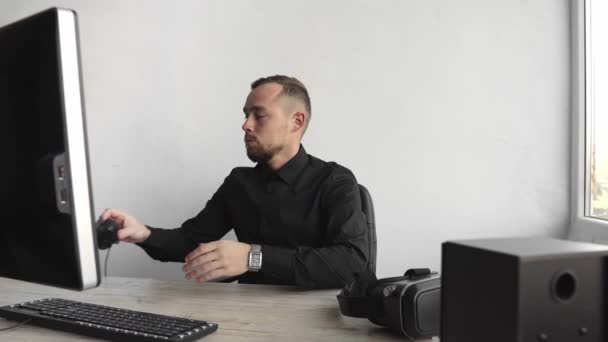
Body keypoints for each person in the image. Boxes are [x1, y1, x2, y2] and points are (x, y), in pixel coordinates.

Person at [100, 75, 370, 289]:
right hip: (245, 313)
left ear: (296, 122)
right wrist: (143, 233)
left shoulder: (336, 181)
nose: (245, 125)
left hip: (317, 318)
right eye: (245, 114)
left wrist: (253, 257)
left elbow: (352, 264)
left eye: (259, 115)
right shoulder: (239, 183)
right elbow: (192, 242)